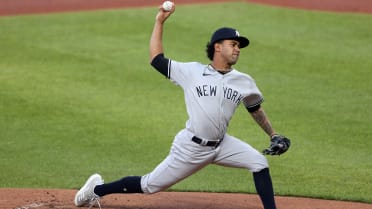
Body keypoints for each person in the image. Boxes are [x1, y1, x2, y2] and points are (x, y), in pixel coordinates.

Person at [74, 3, 290, 209]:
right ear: (218, 46)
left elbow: (255, 109)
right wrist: (160, 22)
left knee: (259, 162)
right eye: (233, 44)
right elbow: (156, 59)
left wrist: (273, 135)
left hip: (222, 145)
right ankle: (97, 189)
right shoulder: (192, 72)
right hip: (191, 148)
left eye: (239, 46)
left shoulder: (244, 81)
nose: (238, 49)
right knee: (149, 185)